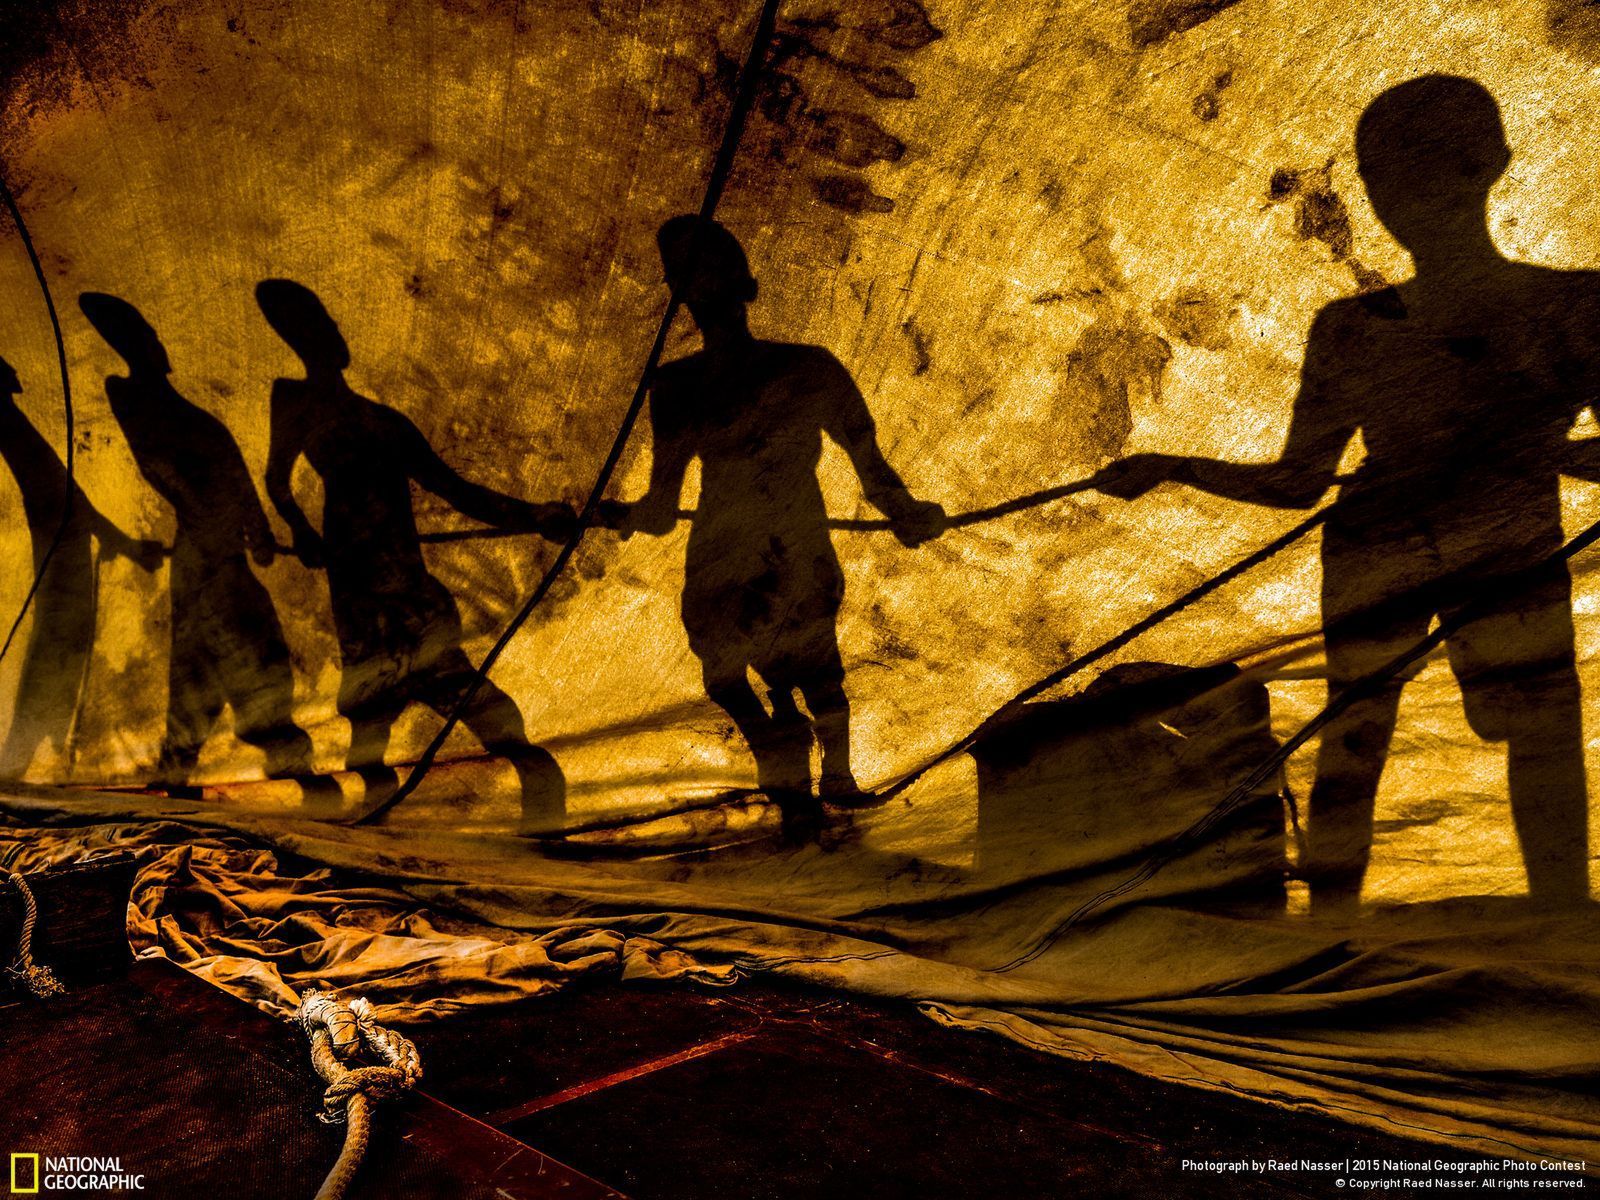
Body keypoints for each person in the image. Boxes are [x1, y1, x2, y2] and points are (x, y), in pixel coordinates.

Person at [1096, 76, 1598, 911]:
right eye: (1386, 176)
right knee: (1358, 735)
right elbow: (1299, 482)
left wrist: (1537, 455)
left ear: (1492, 164)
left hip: (1506, 551)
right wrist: (1170, 466)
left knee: (1531, 731)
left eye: (1430, 168)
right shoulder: (1352, 327)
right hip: (1385, 548)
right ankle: (1334, 924)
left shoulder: (1577, 306)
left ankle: (1559, 917)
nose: (1406, 196)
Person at [619, 216, 945, 829]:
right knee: (732, 674)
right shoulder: (678, 386)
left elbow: (871, 468)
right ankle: (782, 745)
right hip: (728, 554)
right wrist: (620, 515)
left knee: (811, 666)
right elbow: (662, 507)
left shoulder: (807, 370)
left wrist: (907, 512)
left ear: (742, 284)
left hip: (790, 546)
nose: (703, 287)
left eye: (710, 269)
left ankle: (832, 772)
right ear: (680, 293)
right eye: (690, 274)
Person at [257, 279, 573, 828]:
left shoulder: (386, 423)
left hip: (404, 590)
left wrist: (535, 515)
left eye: (327, 323)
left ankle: (540, 809)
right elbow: (276, 480)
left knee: (471, 705)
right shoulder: (296, 401)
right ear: (295, 338)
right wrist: (301, 530)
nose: (330, 335)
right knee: (371, 728)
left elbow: (457, 490)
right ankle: (381, 818)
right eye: (312, 326)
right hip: (360, 597)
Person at [79, 293, 325, 798]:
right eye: (140, 337)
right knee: (246, 655)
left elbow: (232, 473)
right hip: (206, 553)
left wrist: (256, 527)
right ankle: (272, 757)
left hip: (213, 554)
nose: (153, 344)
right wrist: (217, 528)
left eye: (149, 335)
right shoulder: (133, 399)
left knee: (209, 661)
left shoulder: (193, 417)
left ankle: (183, 769)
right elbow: (159, 467)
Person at [0, 354, 160, 776]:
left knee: (61, 641)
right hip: (59, 547)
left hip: (63, 544)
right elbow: (63, 498)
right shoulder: (8, 425)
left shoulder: (13, 426)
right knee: (55, 643)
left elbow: (70, 497)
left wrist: (123, 543)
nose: (17, 373)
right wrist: (120, 543)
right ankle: (17, 759)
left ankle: (22, 758)